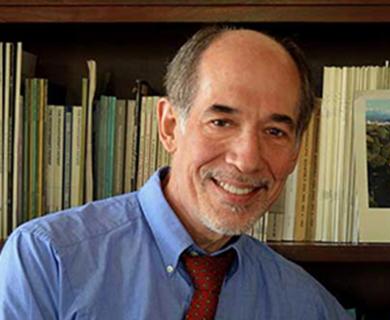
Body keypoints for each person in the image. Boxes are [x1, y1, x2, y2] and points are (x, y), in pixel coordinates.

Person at [0, 26, 352, 319]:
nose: (247, 160)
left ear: (295, 153)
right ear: (169, 126)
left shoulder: (311, 307)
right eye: (221, 122)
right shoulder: (48, 262)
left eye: (275, 132)